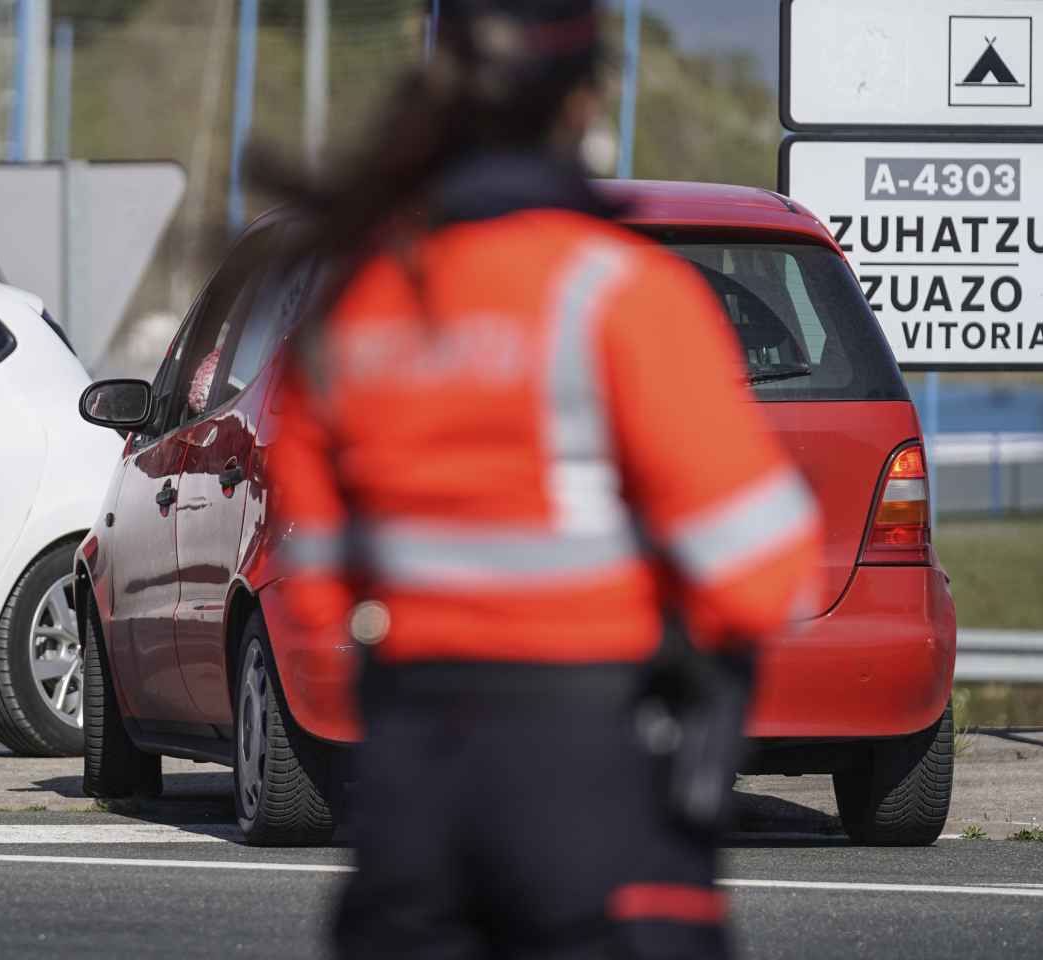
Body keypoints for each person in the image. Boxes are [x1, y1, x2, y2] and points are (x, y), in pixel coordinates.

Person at [259, 2, 823, 955]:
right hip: (586, 777)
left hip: (410, 785)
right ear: (582, 104)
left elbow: (313, 584)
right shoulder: (617, 292)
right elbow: (762, 572)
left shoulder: (359, 299)